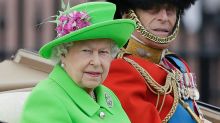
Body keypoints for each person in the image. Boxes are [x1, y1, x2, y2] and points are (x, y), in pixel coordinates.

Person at [20, 2, 135, 123]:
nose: (96, 62)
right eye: (86, 51)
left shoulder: (107, 95)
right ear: (63, 54)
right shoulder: (46, 98)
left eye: (103, 52)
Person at [103, 0, 206, 123]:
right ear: (127, 14)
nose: (164, 18)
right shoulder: (120, 70)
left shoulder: (176, 64)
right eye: (152, 9)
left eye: (170, 10)